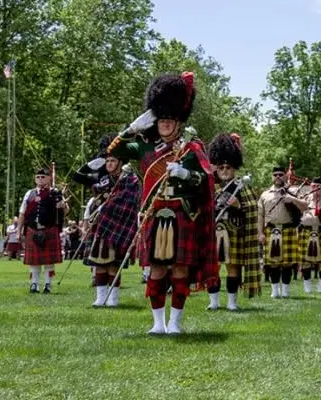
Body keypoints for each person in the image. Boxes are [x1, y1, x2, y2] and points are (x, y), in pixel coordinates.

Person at [108, 71, 217, 335]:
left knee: (180, 271)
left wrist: (185, 173)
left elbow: (204, 181)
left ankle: (175, 323)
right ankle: (157, 323)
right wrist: (131, 129)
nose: (165, 124)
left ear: (179, 123)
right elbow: (115, 151)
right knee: (156, 270)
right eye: (162, 120)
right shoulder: (145, 148)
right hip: (155, 214)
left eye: (170, 120)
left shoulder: (191, 150)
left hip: (182, 214)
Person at [72, 134, 141, 308]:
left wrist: (108, 206)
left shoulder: (129, 179)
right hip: (100, 227)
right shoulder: (101, 179)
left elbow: (130, 202)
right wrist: (90, 165)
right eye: (107, 161)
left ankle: (113, 298)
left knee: (113, 264)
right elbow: (78, 177)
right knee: (99, 264)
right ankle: (100, 297)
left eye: (112, 160)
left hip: (118, 226)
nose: (109, 164)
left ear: (120, 162)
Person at [207, 132, 260, 310]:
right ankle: (213, 302)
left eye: (228, 168)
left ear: (234, 168)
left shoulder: (241, 187)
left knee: (233, 268)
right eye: (221, 168)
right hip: (213, 232)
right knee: (212, 269)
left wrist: (238, 205)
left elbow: (252, 211)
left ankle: (231, 303)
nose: (224, 171)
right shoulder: (210, 187)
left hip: (234, 231)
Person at [258, 166, 308, 299]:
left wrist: (293, 200)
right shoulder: (265, 194)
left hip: (288, 229)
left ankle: (285, 291)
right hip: (271, 230)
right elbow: (260, 216)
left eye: (281, 174)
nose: (278, 177)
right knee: (273, 263)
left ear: (285, 176)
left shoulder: (292, 192)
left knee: (287, 263)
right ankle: (275, 291)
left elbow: (305, 206)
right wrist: (260, 233)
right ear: (272, 177)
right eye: (275, 175)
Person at [18, 168, 68, 293]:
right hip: (32, 229)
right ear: (35, 179)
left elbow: (65, 210)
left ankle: (47, 285)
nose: (40, 179)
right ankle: (34, 284)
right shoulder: (29, 193)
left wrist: (64, 206)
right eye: (38, 177)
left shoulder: (55, 193)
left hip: (49, 229)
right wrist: (19, 231)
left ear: (49, 178)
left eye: (43, 177)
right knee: (34, 262)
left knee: (49, 261)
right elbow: (22, 213)